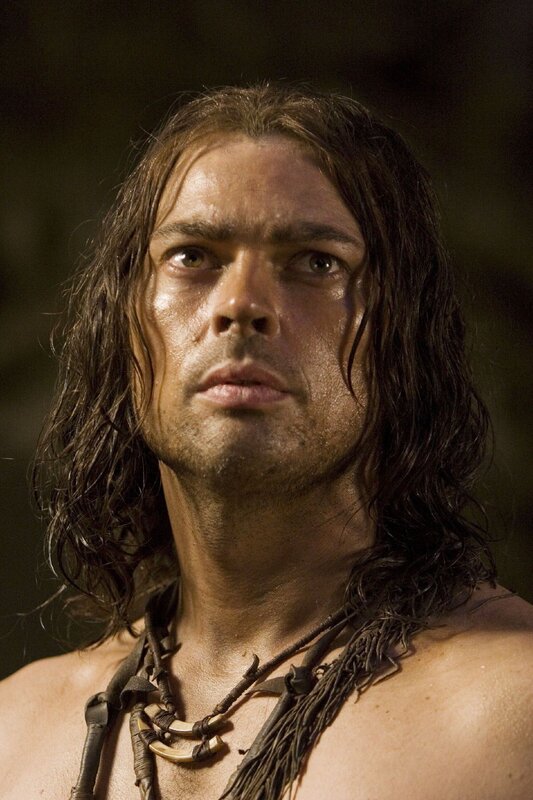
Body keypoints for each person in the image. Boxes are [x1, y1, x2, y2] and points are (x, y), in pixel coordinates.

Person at [1, 83, 532, 800]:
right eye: (192, 256)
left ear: (403, 337)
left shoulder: (509, 712)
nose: (241, 304)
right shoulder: (16, 734)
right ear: (124, 326)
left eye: (316, 262)